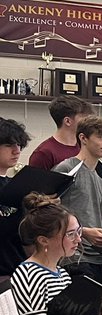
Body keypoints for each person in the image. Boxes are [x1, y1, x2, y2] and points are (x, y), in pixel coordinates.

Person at [53, 114, 102, 282]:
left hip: (97, 257)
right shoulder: (66, 168)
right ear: (83, 138)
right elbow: (51, 214)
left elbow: (96, 220)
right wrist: (85, 232)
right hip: (72, 257)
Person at [0, 117, 32, 280]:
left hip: (16, 271)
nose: (17, 150)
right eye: (9, 145)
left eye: (19, 145)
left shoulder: (17, 185)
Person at [28, 95, 93, 170]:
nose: (89, 122)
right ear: (68, 121)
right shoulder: (43, 154)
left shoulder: (84, 147)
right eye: (84, 118)